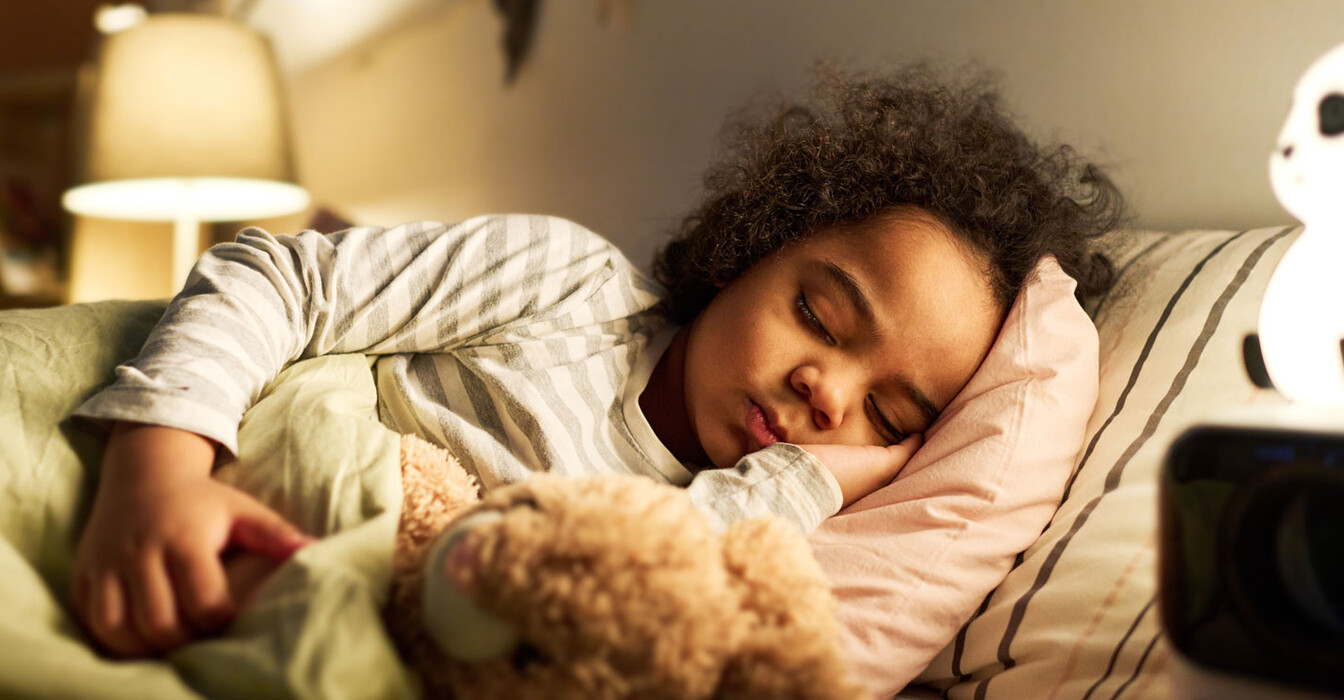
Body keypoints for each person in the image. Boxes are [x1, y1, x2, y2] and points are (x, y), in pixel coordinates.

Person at [67, 65, 1124, 660]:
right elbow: (280, 277)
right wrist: (156, 468)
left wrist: (801, 482)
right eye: (816, 313)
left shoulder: (756, 523)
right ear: (754, 244)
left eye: (889, 417)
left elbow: (626, 606)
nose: (826, 392)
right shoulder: (567, 285)